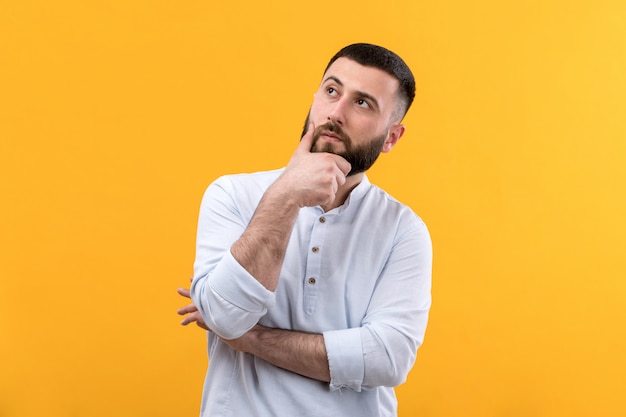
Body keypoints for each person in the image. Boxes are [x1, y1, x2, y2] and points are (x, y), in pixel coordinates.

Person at [177, 43, 432, 417]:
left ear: (391, 137)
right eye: (332, 91)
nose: (336, 113)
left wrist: (249, 338)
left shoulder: (403, 230)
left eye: (362, 103)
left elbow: (386, 358)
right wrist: (286, 196)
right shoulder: (232, 194)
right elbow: (225, 314)